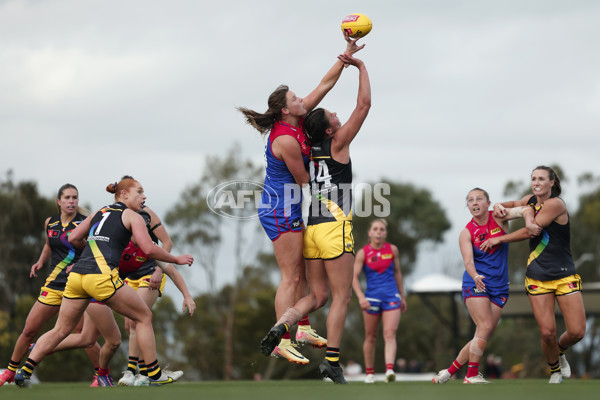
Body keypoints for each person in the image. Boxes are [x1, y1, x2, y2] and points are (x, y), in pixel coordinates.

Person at [238, 32, 364, 365]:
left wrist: (345, 56)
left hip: (291, 206)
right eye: (295, 98)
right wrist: (328, 160)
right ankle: (283, 337)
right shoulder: (286, 139)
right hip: (280, 208)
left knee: (304, 277)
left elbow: (325, 84)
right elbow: (306, 179)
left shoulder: (296, 121)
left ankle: (303, 327)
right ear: (285, 109)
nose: (301, 100)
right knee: (292, 276)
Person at [13, 177, 194, 387]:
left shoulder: (99, 211)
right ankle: (153, 374)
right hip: (100, 277)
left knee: (61, 330)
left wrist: (92, 251)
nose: (144, 197)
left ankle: (24, 371)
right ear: (124, 194)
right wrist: (177, 258)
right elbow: (150, 248)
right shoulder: (132, 216)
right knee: (144, 316)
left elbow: (73, 239)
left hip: (77, 277)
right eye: (139, 192)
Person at [480, 166, 586, 384]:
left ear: (552, 183)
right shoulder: (529, 200)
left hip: (564, 275)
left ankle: (560, 350)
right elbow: (508, 206)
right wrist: (499, 207)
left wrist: (499, 239)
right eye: (533, 178)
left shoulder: (556, 204)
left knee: (577, 332)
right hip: (538, 276)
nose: (536, 182)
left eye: (541, 179)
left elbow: (532, 229)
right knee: (547, 332)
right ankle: (555, 370)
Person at [0, 184, 100, 387]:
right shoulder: (50, 223)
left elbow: (95, 251)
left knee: (83, 335)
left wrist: (78, 265)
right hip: (54, 284)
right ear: (59, 201)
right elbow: (48, 245)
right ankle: (10, 372)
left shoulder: (85, 223)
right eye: (67, 197)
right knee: (28, 330)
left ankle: (100, 374)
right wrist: (39, 261)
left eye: (75, 198)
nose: (72, 201)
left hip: (78, 285)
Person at [433, 188, 521, 384]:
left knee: (483, 333)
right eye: (470, 200)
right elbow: (468, 262)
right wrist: (474, 276)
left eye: (479, 199)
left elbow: (522, 207)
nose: (474, 203)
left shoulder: (499, 218)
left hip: (500, 287)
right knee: (485, 325)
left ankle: (449, 372)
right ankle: (471, 375)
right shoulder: (466, 232)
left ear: (488, 203)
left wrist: (504, 206)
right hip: (476, 283)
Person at [116, 206, 196, 386]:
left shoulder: (148, 248)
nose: (143, 233)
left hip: (149, 276)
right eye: (139, 229)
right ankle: (144, 373)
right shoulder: (118, 244)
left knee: (138, 319)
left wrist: (187, 296)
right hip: (129, 279)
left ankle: (131, 372)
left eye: (146, 229)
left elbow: (173, 271)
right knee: (130, 326)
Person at [352, 219, 407, 384]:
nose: (378, 232)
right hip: (371, 299)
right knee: (370, 336)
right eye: (375, 229)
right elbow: (353, 277)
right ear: (369, 233)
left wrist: (402, 296)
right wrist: (361, 297)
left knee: (390, 334)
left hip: (392, 298)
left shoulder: (392, 250)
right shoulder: (363, 252)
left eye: (382, 229)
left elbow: (397, 273)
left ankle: (389, 370)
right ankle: (369, 373)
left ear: (385, 233)